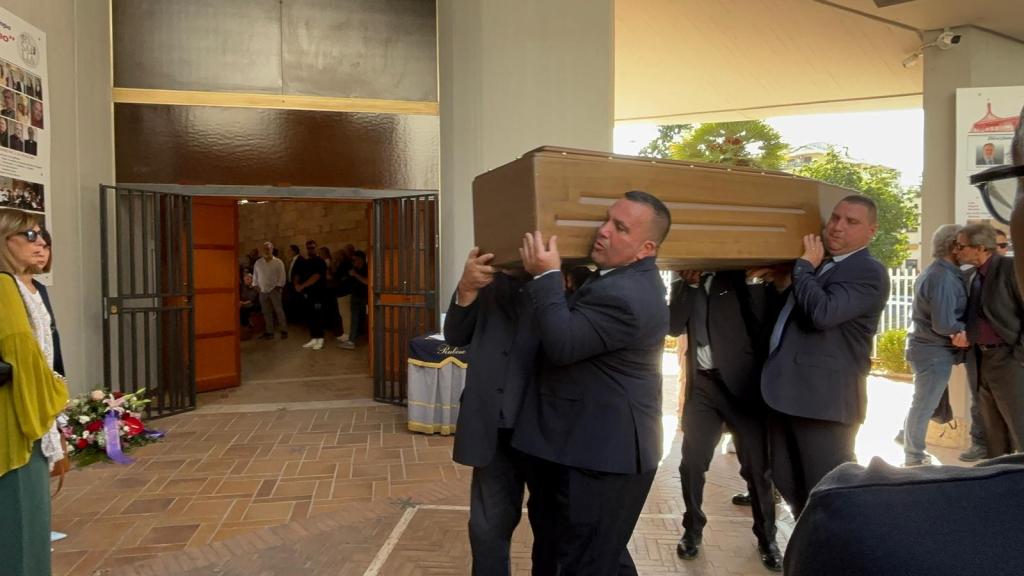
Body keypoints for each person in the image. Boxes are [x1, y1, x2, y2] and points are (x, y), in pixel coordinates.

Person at [512, 190, 670, 576]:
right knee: (586, 556)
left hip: (602, 458)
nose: (603, 231)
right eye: (605, 220)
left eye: (620, 228)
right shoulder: (617, 279)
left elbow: (563, 345)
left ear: (646, 249)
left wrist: (546, 276)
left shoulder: (626, 295)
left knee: (586, 562)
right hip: (584, 446)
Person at [759, 195, 889, 518]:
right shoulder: (824, 266)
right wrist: (784, 282)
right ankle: (809, 542)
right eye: (835, 218)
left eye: (851, 221)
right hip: (789, 395)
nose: (837, 227)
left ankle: (837, 547)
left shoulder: (868, 271)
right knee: (790, 484)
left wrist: (803, 268)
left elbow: (823, 313)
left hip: (825, 402)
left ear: (871, 231)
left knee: (827, 494)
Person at [442, 248, 555, 575]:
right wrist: (466, 287)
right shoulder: (485, 276)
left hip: (548, 428)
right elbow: (455, 335)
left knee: (552, 528)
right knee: (487, 528)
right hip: (495, 428)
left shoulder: (564, 277)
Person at [669, 268, 782, 571]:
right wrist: (689, 286)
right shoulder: (683, 279)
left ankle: (767, 539)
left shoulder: (734, 276)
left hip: (741, 386)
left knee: (757, 468)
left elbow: (760, 322)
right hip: (703, 386)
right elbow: (673, 326)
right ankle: (692, 529)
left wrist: (752, 282)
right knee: (691, 463)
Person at [0, 208, 70, 576]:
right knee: (22, 525)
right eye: (29, 235)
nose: (40, 243)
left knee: (31, 520)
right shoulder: (4, 287)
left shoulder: (27, 287)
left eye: (43, 236)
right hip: (17, 419)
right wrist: (57, 400)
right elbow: (22, 359)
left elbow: (45, 351)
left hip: (32, 410)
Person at [902, 224, 968, 467]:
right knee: (924, 404)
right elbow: (944, 323)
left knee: (923, 401)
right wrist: (970, 332)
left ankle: (906, 440)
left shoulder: (940, 272)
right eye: (964, 244)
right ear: (954, 247)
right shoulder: (942, 278)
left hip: (928, 350)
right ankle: (914, 456)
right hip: (932, 352)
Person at [956, 223, 1024, 458]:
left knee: (1019, 427)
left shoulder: (1010, 269)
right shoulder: (971, 276)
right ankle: (1000, 475)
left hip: (1009, 360)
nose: (957, 251)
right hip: (980, 360)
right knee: (993, 433)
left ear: (981, 248)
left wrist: (1019, 356)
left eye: (961, 246)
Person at [294, 240, 328, 350]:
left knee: (318, 316)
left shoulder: (320, 261)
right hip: (308, 294)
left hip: (319, 294)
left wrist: (302, 286)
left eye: (312, 248)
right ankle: (313, 338)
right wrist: (296, 284)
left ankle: (320, 339)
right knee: (310, 316)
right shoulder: (306, 262)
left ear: (316, 248)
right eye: (308, 248)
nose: (310, 250)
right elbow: (298, 274)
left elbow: (316, 276)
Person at [252, 241, 288, 340]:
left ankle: (284, 330)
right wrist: (256, 287)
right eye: (265, 249)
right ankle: (270, 332)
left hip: (274, 290)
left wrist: (278, 287)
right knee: (266, 312)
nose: (266, 251)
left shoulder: (278, 262)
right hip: (262, 291)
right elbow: (255, 276)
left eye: (268, 249)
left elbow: (282, 276)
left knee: (278, 311)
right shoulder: (258, 263)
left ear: (272, 249)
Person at [339, 250, 368, 350]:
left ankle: (370, 339)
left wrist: (356, 275)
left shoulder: (367, 269)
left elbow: (368, 282)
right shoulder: (353, 268)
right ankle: (351, 341)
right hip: (355, 296)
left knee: (367, 319)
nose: (353, 262)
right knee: (354, 319)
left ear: (361, 259)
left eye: (355, 260)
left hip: (365, 298)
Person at [333, 244, 355, 343]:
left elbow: (337, 277)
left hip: (344, 292)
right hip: (344, 291)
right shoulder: (345, 263)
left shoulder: (345, 264)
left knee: (345, 313)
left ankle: (347, 333)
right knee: (344, 313)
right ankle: (346, 332)